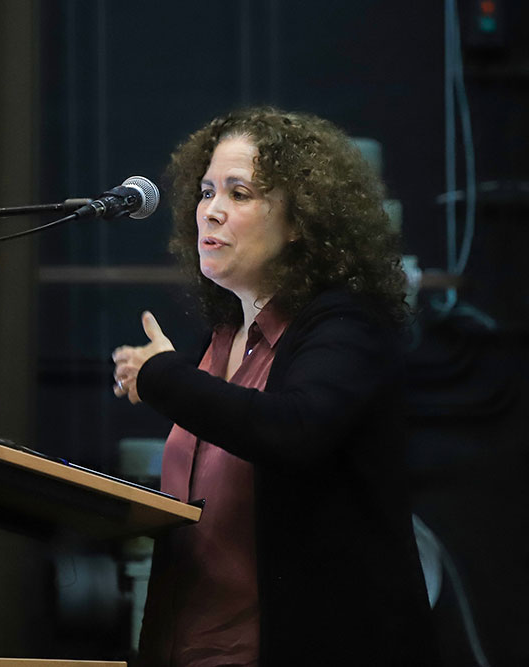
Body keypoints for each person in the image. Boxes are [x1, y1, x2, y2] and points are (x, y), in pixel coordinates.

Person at [112, 107, 440, 666]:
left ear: (298, 221)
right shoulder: (221, 339)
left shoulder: (346, 325)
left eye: (238, 193)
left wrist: (162, 376)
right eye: (207, 191)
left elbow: (292, 428)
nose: (211, 210)